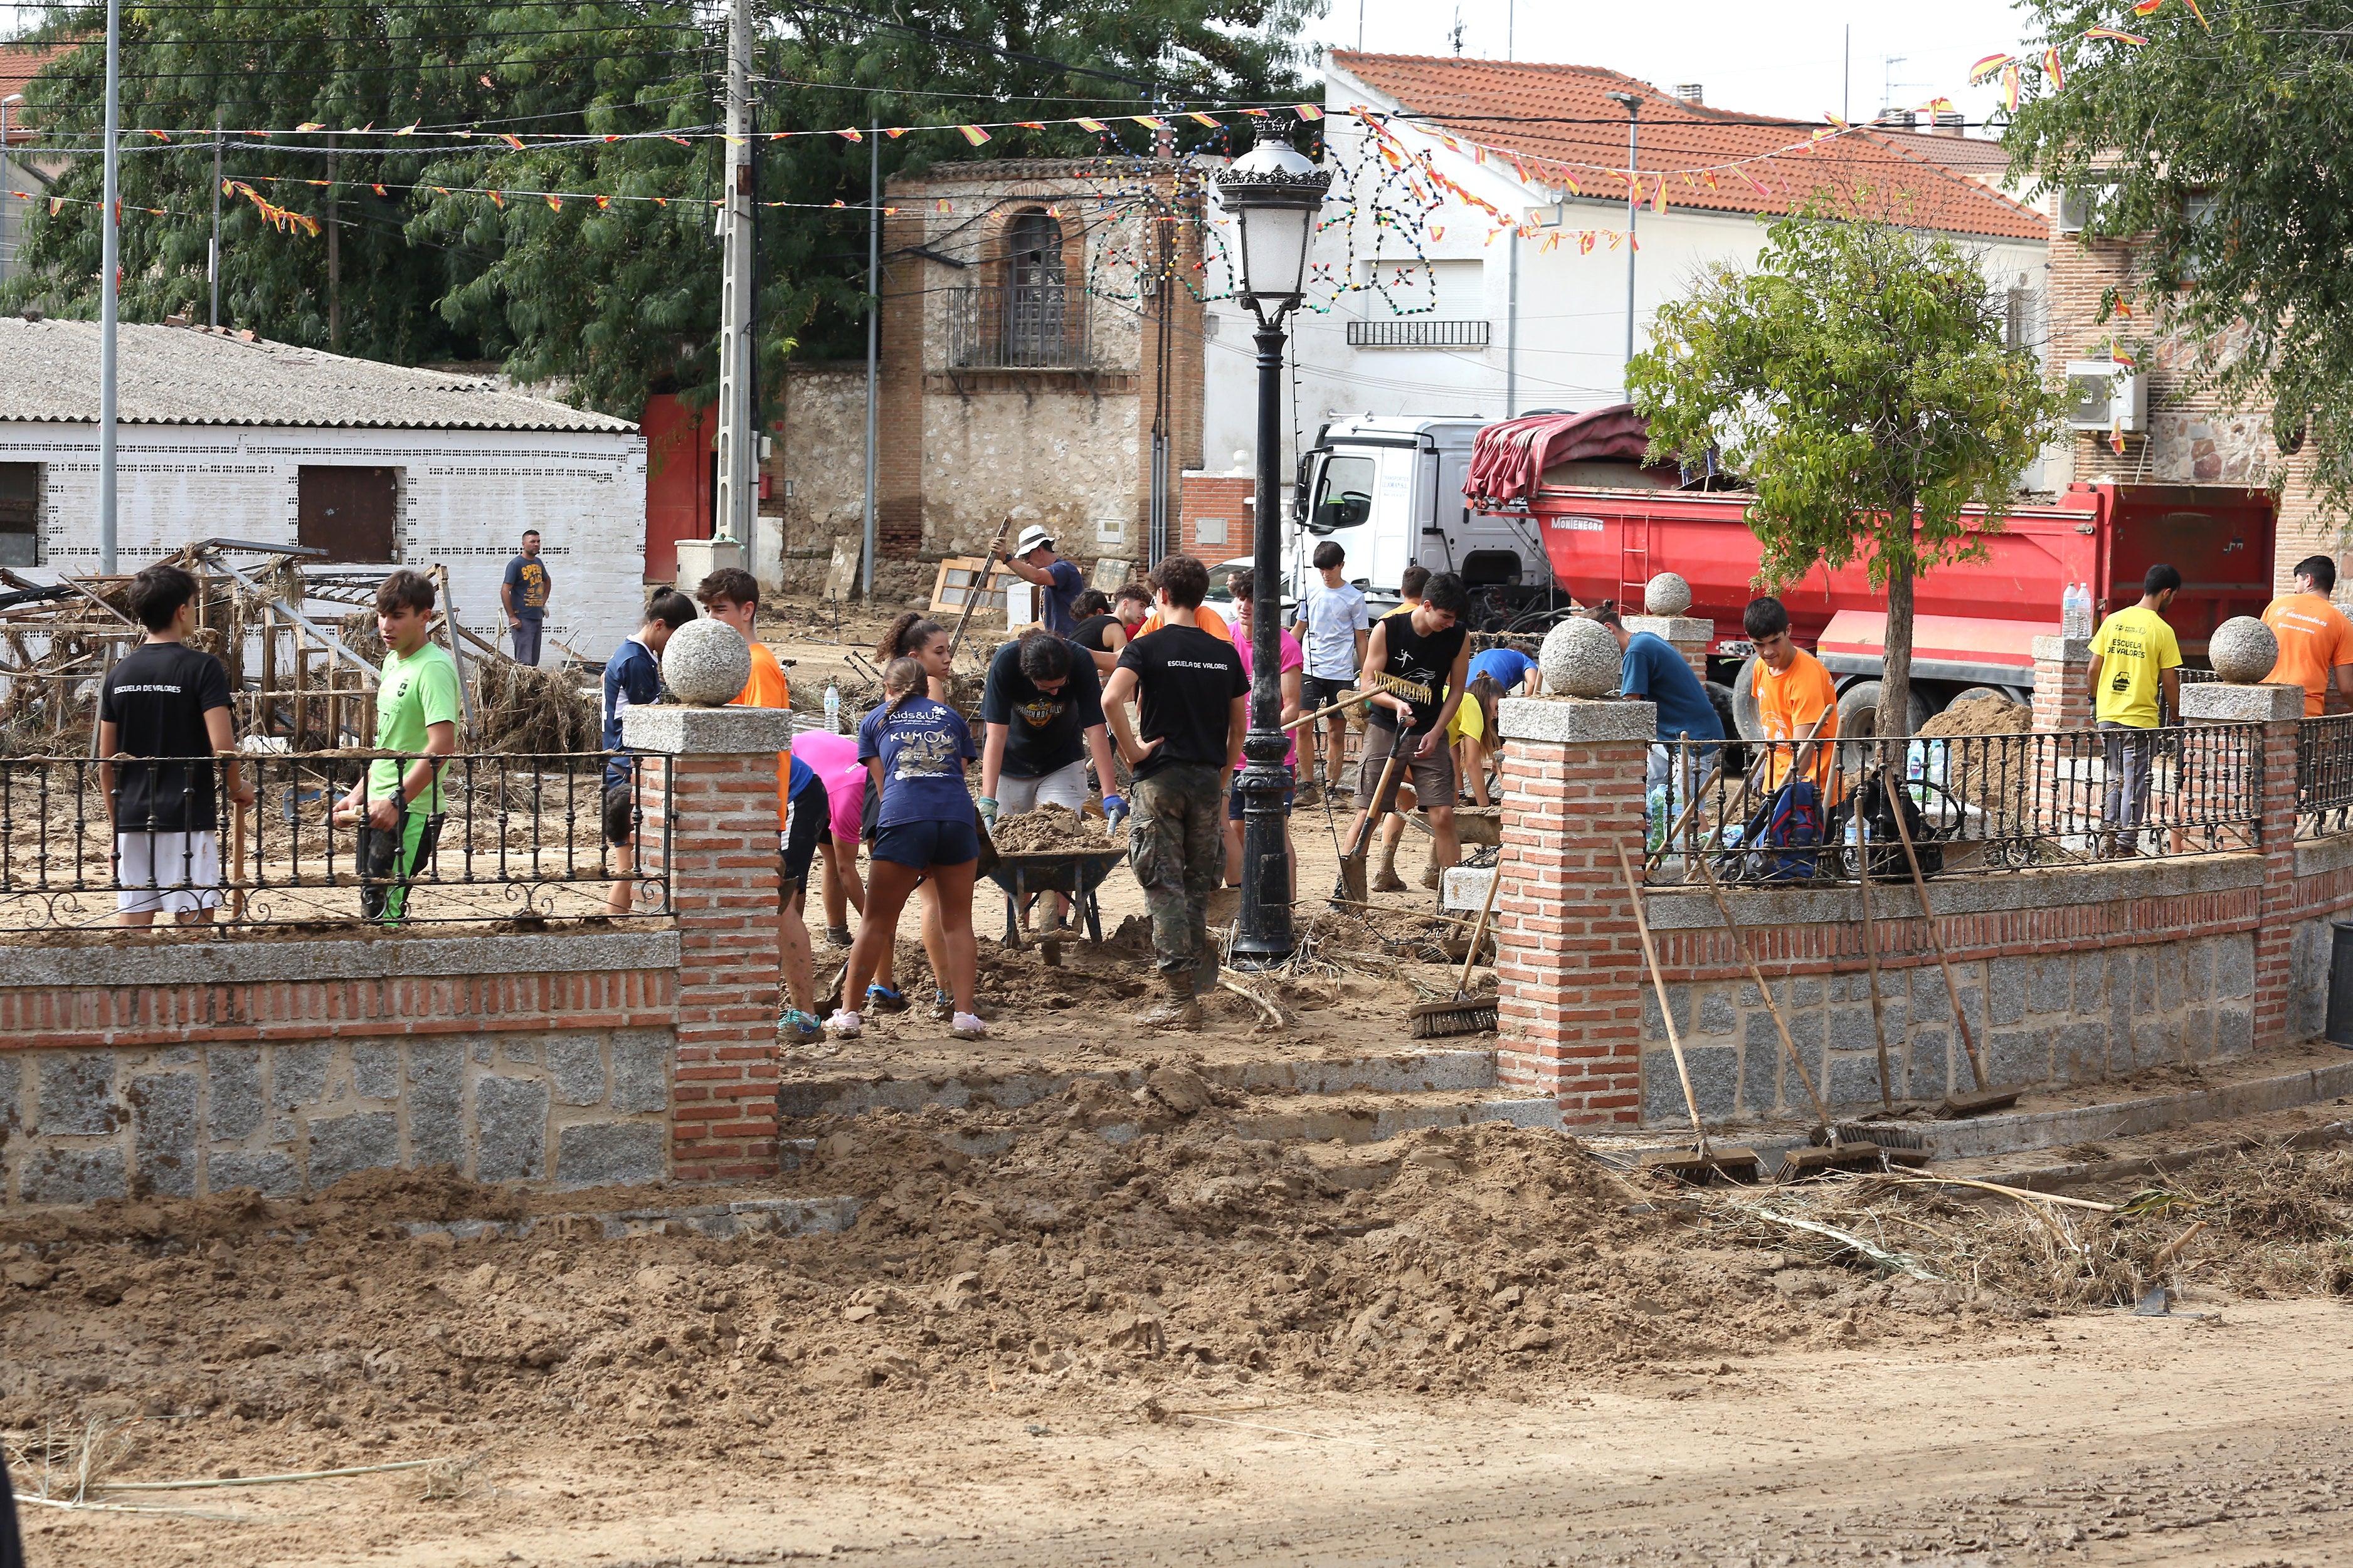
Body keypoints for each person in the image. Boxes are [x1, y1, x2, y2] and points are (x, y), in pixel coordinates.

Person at [1104, 554, 1247, 1027]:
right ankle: (1192, 983)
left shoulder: (1146, 646)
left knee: (1162, 884)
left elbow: (1110, 699)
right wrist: (1222, 774)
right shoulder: (1223, 652)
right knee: (1194, 884)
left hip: (1161, 779)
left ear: (1161, 596)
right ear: (1202, 597)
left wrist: (1132, 751)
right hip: (1207, 779)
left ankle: (1180, 997)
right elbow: (1238, 726)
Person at [831, 656, 985, 1041]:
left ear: (888, 688)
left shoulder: (875, 720)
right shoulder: (952, 718)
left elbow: (883, 789)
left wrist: (910, 844)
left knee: (876, 921)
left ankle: (849, 1015)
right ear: (925, 685)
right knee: (958, 921)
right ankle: (964, 1015)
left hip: (904, 820)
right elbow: (957, 775)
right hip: (956, 820)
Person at [697, 567, 820, 1044]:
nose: (712, 619)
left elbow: (771, 747)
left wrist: (770, 820)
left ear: (747, 610)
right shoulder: (729, 664)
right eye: (708, 610)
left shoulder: (758, 663)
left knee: (780, 907)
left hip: (786, 798)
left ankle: (805, 1015)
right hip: (754, 802)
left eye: (721, 609)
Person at [98, 562, 254, 927]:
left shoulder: (119, 674)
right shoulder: (203, 668)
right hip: (188, 818)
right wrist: (237, 787)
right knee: (194, 945)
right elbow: (223, 748)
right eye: (195, 604)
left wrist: (117, 828)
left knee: (132, 946)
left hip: (134, 820)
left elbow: (106, 764)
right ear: (182, 610)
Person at [334, 569, 460, 925]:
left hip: (412, 808)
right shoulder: (393, 661)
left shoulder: (433, 669)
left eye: (398, 616)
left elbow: (442, 747)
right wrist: (358, 794)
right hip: (380, 802)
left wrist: (396, 801)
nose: (386, 626)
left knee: (383, 909)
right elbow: (390, 744)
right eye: (383, 615)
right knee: (373, 900)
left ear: (425, 617)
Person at [978, 625, 1125, 930]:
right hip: (1011, 764)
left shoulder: (1080, 660)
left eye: (1061, 686)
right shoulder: (1005, 662)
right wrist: (988, 798)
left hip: (1062, 762)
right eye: (1047, 688)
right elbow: (995, 735)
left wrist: (1110, 792)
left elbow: (1096, 729)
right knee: (1013, 852)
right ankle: (1018, 924)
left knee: (1063, 844)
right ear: (1028, 675)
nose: (1056, 693)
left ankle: (1058, 922)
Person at [1345, 571, 1473, 894]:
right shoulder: (1388, 629)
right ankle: (1345, 889)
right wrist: (1395, 703)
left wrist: (1437, 732)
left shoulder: (1458, 636)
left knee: (1443, 813)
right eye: (1445, 617)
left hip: (1430, 731)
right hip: (1387, 727)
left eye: (1454, 618)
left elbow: (1456, 691)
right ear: (1427, 605)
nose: (1449, 623)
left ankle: (1453, 896)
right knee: (1369, 811)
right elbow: (1368, 685)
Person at [865, 612, 961, 1017]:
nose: (948, 659)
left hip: (882, 799)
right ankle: (947, 991)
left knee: (882, 908)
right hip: (915, 798)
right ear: (914, 656)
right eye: (939, 652)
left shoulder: (887, 697)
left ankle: (880, 986)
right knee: (932, 901)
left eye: (948, 650)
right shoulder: (931, 690)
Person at [601, 589, 698, 916]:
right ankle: (612, 933)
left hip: (618, 765)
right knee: (627, 863)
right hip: (626, 767)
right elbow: (649, 723)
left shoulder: (632, 654)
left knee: (628, 861)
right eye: (675, 638)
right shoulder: (638, 662)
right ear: (659, 626)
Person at [1595, 605, 1726, 845]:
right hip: (1670, 738)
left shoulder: (1637, 652)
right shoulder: (1644, 639)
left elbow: (1630, 708)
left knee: (1686, 805)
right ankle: (1660, 850)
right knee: (1654, 796)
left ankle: (1701, 858)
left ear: (1608, 629)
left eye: (1596, 645)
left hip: (1693, 739)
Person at [2087, 564, 2184, 856]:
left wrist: (2095, 702)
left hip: (2107, 715)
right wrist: (2178, 717)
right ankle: (2127, 845)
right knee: (2135, 781)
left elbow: (2093, 668)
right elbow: (2170, 681)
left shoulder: (2113, 620)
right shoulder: (2162, 630)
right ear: (2166, 592)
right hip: (2139, 720)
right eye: (2174, 596)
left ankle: (2109, 837)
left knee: (2114, 776)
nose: (2172, 601)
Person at [1224, 567, 1303, 890]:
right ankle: (1245, 902)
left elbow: (1292, 706)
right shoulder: (1224, 639)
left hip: (1273, 756)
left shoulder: (1284, 646)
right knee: (1235, 828)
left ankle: (1289, 905)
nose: (1245, 605)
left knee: (1275, 830)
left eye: (1253, 599)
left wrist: (1258, 732)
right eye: (1241, 598)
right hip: (1232, 756)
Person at [1292, 540, 1370, 811]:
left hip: (1341, 672)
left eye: (1331, 569)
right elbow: (1299, 628)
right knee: (1303, 726)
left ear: (1341, 566)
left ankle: (1332, 787)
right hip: (1312, 670)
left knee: (1336, 732)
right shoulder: (1310, 592)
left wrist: (1366, 672)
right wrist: (1285, 659)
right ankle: (1306, 785)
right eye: (1322, 569)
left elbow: (1361, 637)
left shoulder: (1354, 598)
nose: (1326, 574)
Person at [1743, 596, 1838, 793]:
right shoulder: (1761, 667)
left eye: (1775, 641)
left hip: (1809, 792)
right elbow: (1773, 723)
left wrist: (1785, 797)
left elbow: (1803, 751)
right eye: (1759, 645)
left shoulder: (1806, 677)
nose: (1768, 652)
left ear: (1788, 631)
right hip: (1775, 785)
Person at [792, 727, 869, 949]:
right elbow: (847, 869)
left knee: (834, 858)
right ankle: (790, 940)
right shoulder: (849, 803)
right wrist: (875, 925)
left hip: (829, 772)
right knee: (796, 866)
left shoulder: (886, 783)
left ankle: (837, 933)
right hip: (802, 773)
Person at [2262, 554, 2353, 717]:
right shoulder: (2342, 623)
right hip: (2307, 712)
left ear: (2308, 580)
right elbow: (2347, 687)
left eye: (2297, 581)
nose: (2295, 589)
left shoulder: (2276, 605)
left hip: (2265, 704)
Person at [998, 524, 1087, 637]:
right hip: (1061, 642)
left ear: (1040, 550)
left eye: (1027, 556)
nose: (1026, 562)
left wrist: (1006, 558)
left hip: (1073, 642)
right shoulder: (1051, 575)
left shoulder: (1064, 569)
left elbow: (1037, 577)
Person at [500, 529, 553, 666]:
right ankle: (522, 688)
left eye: (538, 541)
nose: (536, 544)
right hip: (522, 619)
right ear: (524, 544)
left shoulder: (538, 562)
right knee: (524, 663)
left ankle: (532, 688)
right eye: (532, 542)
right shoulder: (516, 564)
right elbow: (505, 590)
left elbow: (547, 580)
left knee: (534, 662)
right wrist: (512, 616)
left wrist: (543, 600)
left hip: (537, 617)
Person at [1077, 584, 1152, 675]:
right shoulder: (1115, 628)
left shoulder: (1098, 620)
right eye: (1141, 606)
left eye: (1145, 608)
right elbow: (1124, 670)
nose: (1143, 613)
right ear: (1126, 604)